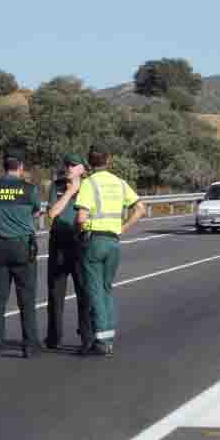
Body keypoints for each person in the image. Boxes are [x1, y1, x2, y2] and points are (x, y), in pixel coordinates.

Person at [75, 146, 146, 357]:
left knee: (95, 290)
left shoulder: (89, 183)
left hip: (94, 241)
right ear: (109, 160)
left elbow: (81, 217)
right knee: (106, 289)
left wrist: (81, 233)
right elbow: (140, 208)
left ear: (89, 162)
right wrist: (123, 227)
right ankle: (109, 337)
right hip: (113, 241)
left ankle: (101, 340)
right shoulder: (119, 182)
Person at [0, 151, 43, 358]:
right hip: (22, 247)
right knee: (26, 299)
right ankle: (29, 345)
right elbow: (36, 212)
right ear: (21, 166)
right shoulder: (29, 189)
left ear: (3, 166)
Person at [45, 153, 93, 352]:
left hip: (81, 243)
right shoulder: (56, 187)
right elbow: (52, 213)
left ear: (82, 168)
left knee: (84, 292)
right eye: (67, 165)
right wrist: (69, 192)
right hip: (58, 243)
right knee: (55, 294)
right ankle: (53, 337)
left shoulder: (90, 186)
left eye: (73, 165)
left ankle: (86, 336)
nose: (69, 168)